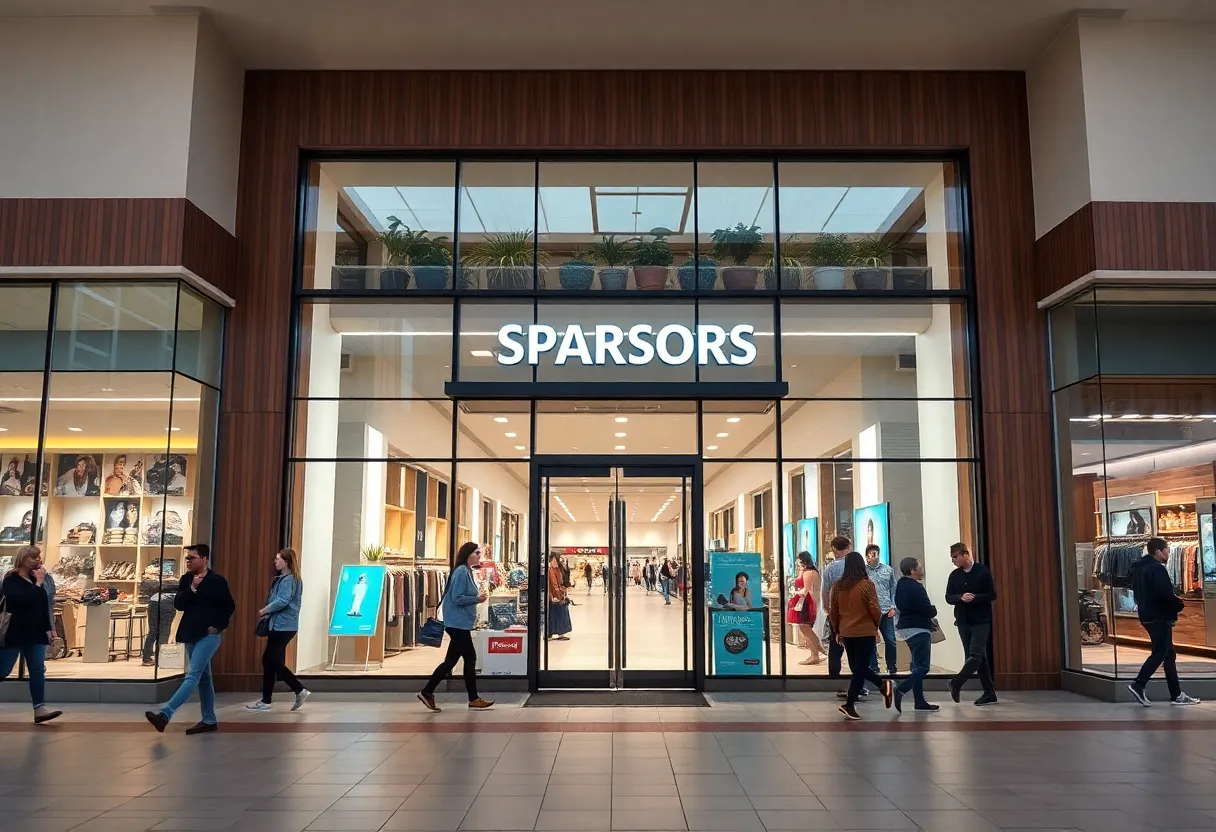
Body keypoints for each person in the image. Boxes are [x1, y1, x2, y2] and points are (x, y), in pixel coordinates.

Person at [145, 543, 235, 734]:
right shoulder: (187, 579)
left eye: (192, 558)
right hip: (191, 633)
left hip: (208, 636)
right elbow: (179, 604)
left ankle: (165, 714)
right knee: (204, 678)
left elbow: (229, 606)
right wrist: (192, 588)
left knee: (193, 675)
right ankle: (209, 719)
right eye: (187, 558)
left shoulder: (217, 581)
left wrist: (217, 626)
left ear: (204, 559)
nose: (188, 561)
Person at [418, 541, 494, 712]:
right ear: (467, 554)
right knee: (470, 658)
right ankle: (473, 698)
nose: (479, 556)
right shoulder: (461, 572)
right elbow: (457, 598)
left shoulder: (467, 571)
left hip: (460, 623)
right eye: (476, 553)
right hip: (457, 624)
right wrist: (477, 599)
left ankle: (428, 692)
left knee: (451, 661)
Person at [1127, 537, 1199, 706]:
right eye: (1166, 550)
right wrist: (1179, 605)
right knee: (1160, 652)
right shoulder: (1157, 569)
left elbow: (1136, 591)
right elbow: (1165, 594)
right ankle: (1139, 684)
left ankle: (1176, 694)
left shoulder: (1138, 567)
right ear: (1158, 552)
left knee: (1168, 654)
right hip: (1159, 616)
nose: (1168, 553)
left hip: (1146, 615)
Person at [0, 546, 62, 724]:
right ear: (25, 559)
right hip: (15, 631)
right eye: (34, 558)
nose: (38, 561)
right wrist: (37, 584)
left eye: (39, 557)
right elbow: (21, 601)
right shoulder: (11, 580)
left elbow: (44, 605)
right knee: (3, 669)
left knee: (37, 670)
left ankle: (39, 709)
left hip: (35, 633)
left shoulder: (41, 579)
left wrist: (50, 629)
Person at [829, 551, 893, 720]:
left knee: (857, 668)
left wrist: (836, 630)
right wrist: (876, 627)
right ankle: (883, 684)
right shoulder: (866, 584)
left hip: (846, 631)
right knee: (860, 668)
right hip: (864, 631)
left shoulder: (838, 586)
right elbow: (875, 608)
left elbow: (833, 611)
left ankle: (850, 704)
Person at [247, 548, 310, 712]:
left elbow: (282, 600)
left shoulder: (288, 580)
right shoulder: (289, 579)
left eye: (278, 559)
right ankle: (266, 699)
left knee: (270, 659)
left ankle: (298, 689)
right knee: (269, 660)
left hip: (282, 625)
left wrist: (264, 610)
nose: (275, 562)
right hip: (284, 625)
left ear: (286, 561)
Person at [945, 542, 998, 706]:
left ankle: (957, 682)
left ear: (965, 554)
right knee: (977, 657)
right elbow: (948, 597)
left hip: (981, 620)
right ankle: (989, 692)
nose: (953, 561)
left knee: (975, 654)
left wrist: (975, 597)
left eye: (955, 557)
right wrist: (960, 598)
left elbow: (991, 594)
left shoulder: (982, 571)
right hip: (963, 620)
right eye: (952, 558)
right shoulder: (955, 575)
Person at [893, 557, 939, 713]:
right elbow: (926, 608)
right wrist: (933, 610)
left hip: (906, 629)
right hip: (918, 628)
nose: (921, 570)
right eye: (919, 567)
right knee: (923, 667)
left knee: (917, 666)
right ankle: (901, 688)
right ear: (912, 570)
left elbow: (899, 605)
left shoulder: (900, 585)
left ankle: (919, 701)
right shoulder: (916, 587)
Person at [820, 536, 865, 698]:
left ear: (833, 548)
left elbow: (825, 591)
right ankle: (858, 684)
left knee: (836, 647)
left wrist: (827, 607)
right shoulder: (857, 566)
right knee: (856, 650)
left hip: (837, 612)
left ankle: (835, 679)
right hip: (857, 613)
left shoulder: (830, 569)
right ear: (849, 546)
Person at [865, 544, 899, 676]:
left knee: (890, 640)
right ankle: (874, 668)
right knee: (871, 641)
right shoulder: (863, 571)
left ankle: (892, 667)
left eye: (875, 553)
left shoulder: (887, 570)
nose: (873, 557)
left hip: (886, 610)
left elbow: (893, 589)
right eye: (871, 554)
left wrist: (893, 606)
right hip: (870, 611)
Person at [787, 552, 822, 665]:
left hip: (806, 602)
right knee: (804, 628)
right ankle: (814, 652)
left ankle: (816, 652)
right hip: (808, 601)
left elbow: (805, 590)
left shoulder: (808, 572)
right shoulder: (809, 571)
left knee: (805, 627)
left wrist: (794, 592)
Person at [141, 583, 176, 666]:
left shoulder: (167, 589)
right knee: (164, 631)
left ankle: (147, 657)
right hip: (167, 603)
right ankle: (160, 659)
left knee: (153, 631)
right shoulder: (186, 589)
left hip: (154, 600)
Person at [547, 554, 572, 640]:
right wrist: (559, 593)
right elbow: (554, 585)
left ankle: (552, 633)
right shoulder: (552, 570)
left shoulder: (557, 569)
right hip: (555, 597)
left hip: (556, 596)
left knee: (554, 615)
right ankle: (556, 633)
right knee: (558, 615)